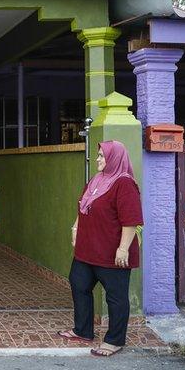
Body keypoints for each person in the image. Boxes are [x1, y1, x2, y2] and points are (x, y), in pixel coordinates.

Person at [58, 141, 143, 357]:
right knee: (79, 284)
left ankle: (115, 340)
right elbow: (83, 206)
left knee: (115, 296)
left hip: (111, 252)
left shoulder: (124, 184)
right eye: (97, 155)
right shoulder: (96, 180)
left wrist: (123, 249)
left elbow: (131, 220)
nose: (97, 159)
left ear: (114, 158)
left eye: (102, 156)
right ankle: (83, 330)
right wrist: (75, 227)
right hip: (88, 250)